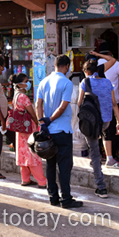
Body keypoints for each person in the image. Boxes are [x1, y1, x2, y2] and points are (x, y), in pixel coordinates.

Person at [36, 54, 83, 208]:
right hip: (62, 131)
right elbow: (63, 106)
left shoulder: (43, 82)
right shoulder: (66, 83)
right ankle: (66, 199)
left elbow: (38, 105)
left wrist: (42, 121)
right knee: (64, 166)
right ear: (67, 66)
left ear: (54, 65)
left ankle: (53, 197)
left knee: (50, 164)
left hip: (48, 132)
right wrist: (50, 119)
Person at [77, 60, 119, 198]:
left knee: (95, 152)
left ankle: (101, 187)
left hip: (91, 122)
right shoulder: (107, 82)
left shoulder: (85, 82)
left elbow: (79, 103)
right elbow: (114, 103)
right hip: (106, 121)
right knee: (97, 147)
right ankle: (96, 165)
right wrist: (118, 122)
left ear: (86, 71)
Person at [95, 43, 119, 168]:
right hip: (110, 104)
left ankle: (100, 155)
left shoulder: (93, 64)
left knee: (98, 131)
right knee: (110, 132)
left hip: (95, 105)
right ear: (110, 54)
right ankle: (111, 157)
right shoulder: (114, 64)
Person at [9, 73, 46, 188]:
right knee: (33, 154)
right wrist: (38, 122)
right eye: (26, 81)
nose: (28, 83)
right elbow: (32, 113)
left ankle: (25, 179)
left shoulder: (16, 95)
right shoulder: (23, 97)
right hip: (28, 130)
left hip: (20, 130)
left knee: (23, 154)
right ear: (20, 84)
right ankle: (42, 181)